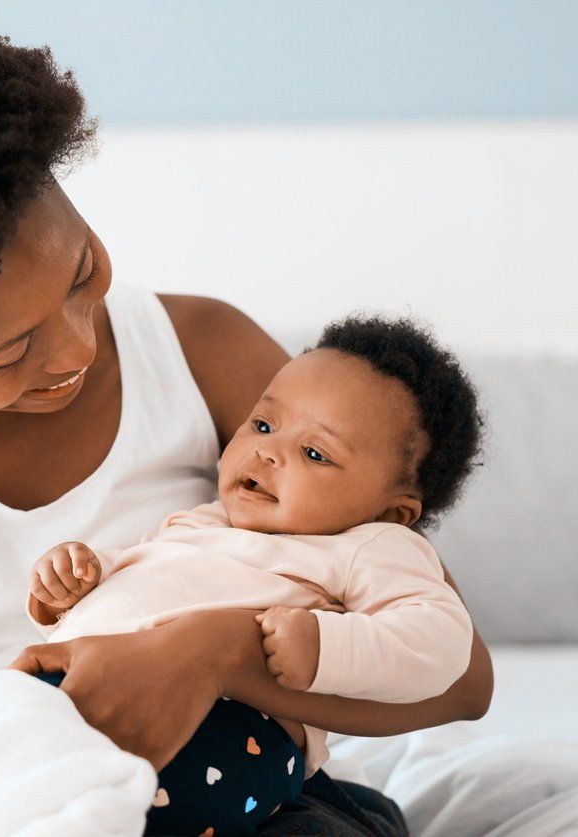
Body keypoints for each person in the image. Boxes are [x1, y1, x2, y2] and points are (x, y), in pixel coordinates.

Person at [0, 6, 494, 835]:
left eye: (83, 272)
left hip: (247, 806)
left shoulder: (203, 350)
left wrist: (214, 653)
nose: (77, 347)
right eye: (10, 351)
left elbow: (460, 675)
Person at [24, 315, 483, 835]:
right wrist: (77, 580)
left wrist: (322, 645)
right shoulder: (202, 520)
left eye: (315, 453)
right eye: (263, 425)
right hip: (66, 691)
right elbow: (144, 575)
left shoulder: (369, 545)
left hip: (225, 729)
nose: (267, 450)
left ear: (390, 513)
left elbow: (442, 642)